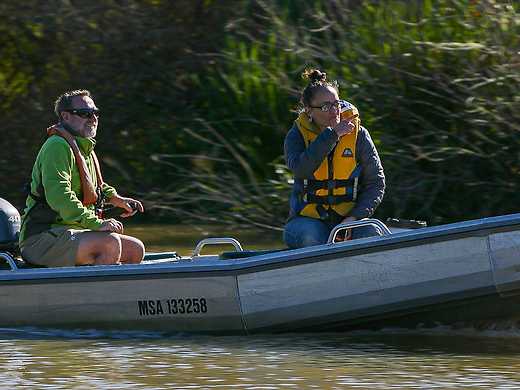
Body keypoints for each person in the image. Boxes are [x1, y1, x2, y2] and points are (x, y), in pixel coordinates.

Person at [19, 89, 146, 267]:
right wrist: (96, 223)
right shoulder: (57, 146)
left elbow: (96, 187)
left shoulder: (85, 149)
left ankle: (116, 294)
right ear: (65, 116)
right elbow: (60, 197)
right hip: (41, 239)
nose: (92, 118)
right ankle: (95, 295)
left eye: (95, 113)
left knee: (135, 249)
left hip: (72, 234)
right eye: (85, 113)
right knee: (109, 243)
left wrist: (116, 199)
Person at [283, 69, 385, 248]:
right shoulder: (296, 135)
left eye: (336, 104)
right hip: (306, 221)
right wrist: (332, 134)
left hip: (349, 219)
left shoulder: (359, 134)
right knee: (312, 238)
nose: (334, 111)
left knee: (372, 234)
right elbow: (301, 168)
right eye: (325, 107)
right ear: (309, 111)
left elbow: (376, 183)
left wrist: (353, 218)